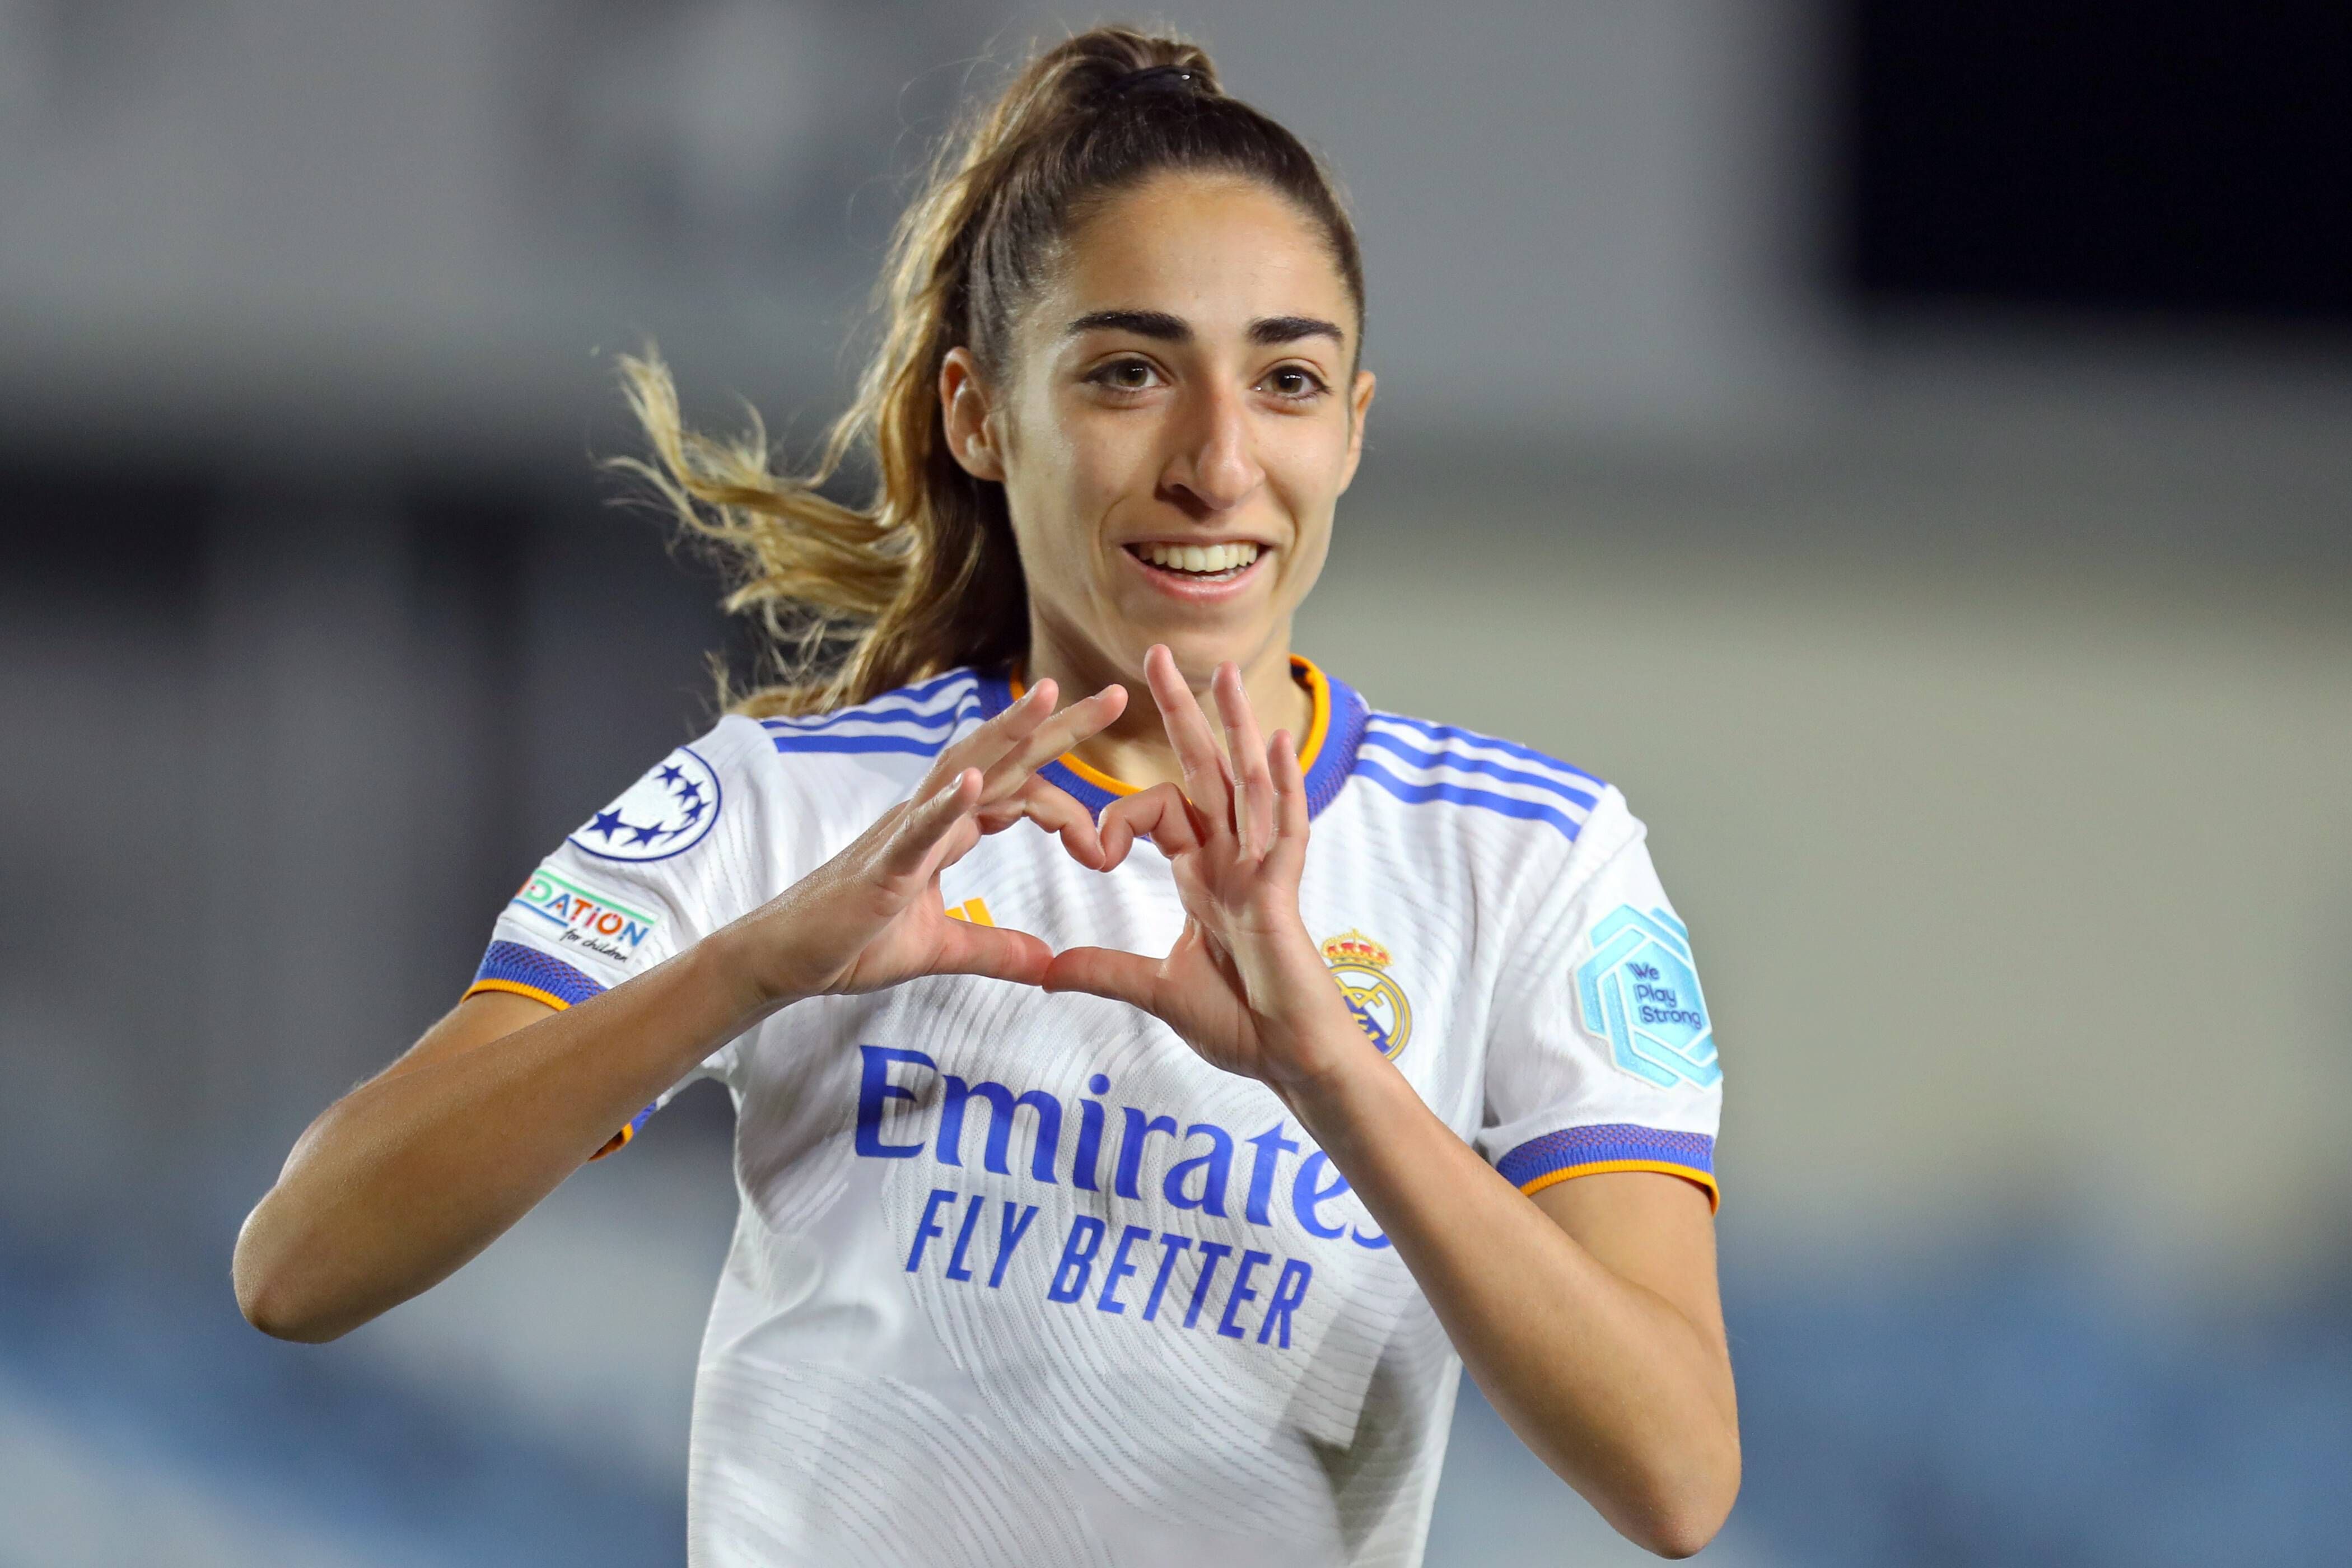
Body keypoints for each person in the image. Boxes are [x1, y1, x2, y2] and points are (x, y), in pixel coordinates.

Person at [232, 25, 1738, 1566]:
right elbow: (301, 1261)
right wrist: (751, 970)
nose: (1219, 463)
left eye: (1286, 380)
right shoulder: (794, 808)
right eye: (1130, 373)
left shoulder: (1531, 858)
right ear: (979, 413)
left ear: (1353, 427)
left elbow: (1677, 1478)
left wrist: (1327, 1067)